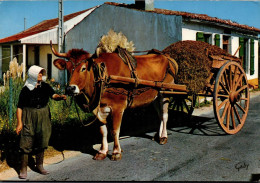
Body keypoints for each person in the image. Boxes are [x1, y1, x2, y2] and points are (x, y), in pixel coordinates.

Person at [16, 65, 67, 179]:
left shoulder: (45, 86)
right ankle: (23, 169)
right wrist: (19, 123)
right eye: (39, 73)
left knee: (43, 139)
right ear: (33, 74)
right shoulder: (26, 89)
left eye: (41, 73)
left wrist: (60, 97)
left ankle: (39, 166)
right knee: (26, 140)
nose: (41, 75)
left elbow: (53, 95)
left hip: (43, 114)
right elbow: (19, 107)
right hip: (29, 115)